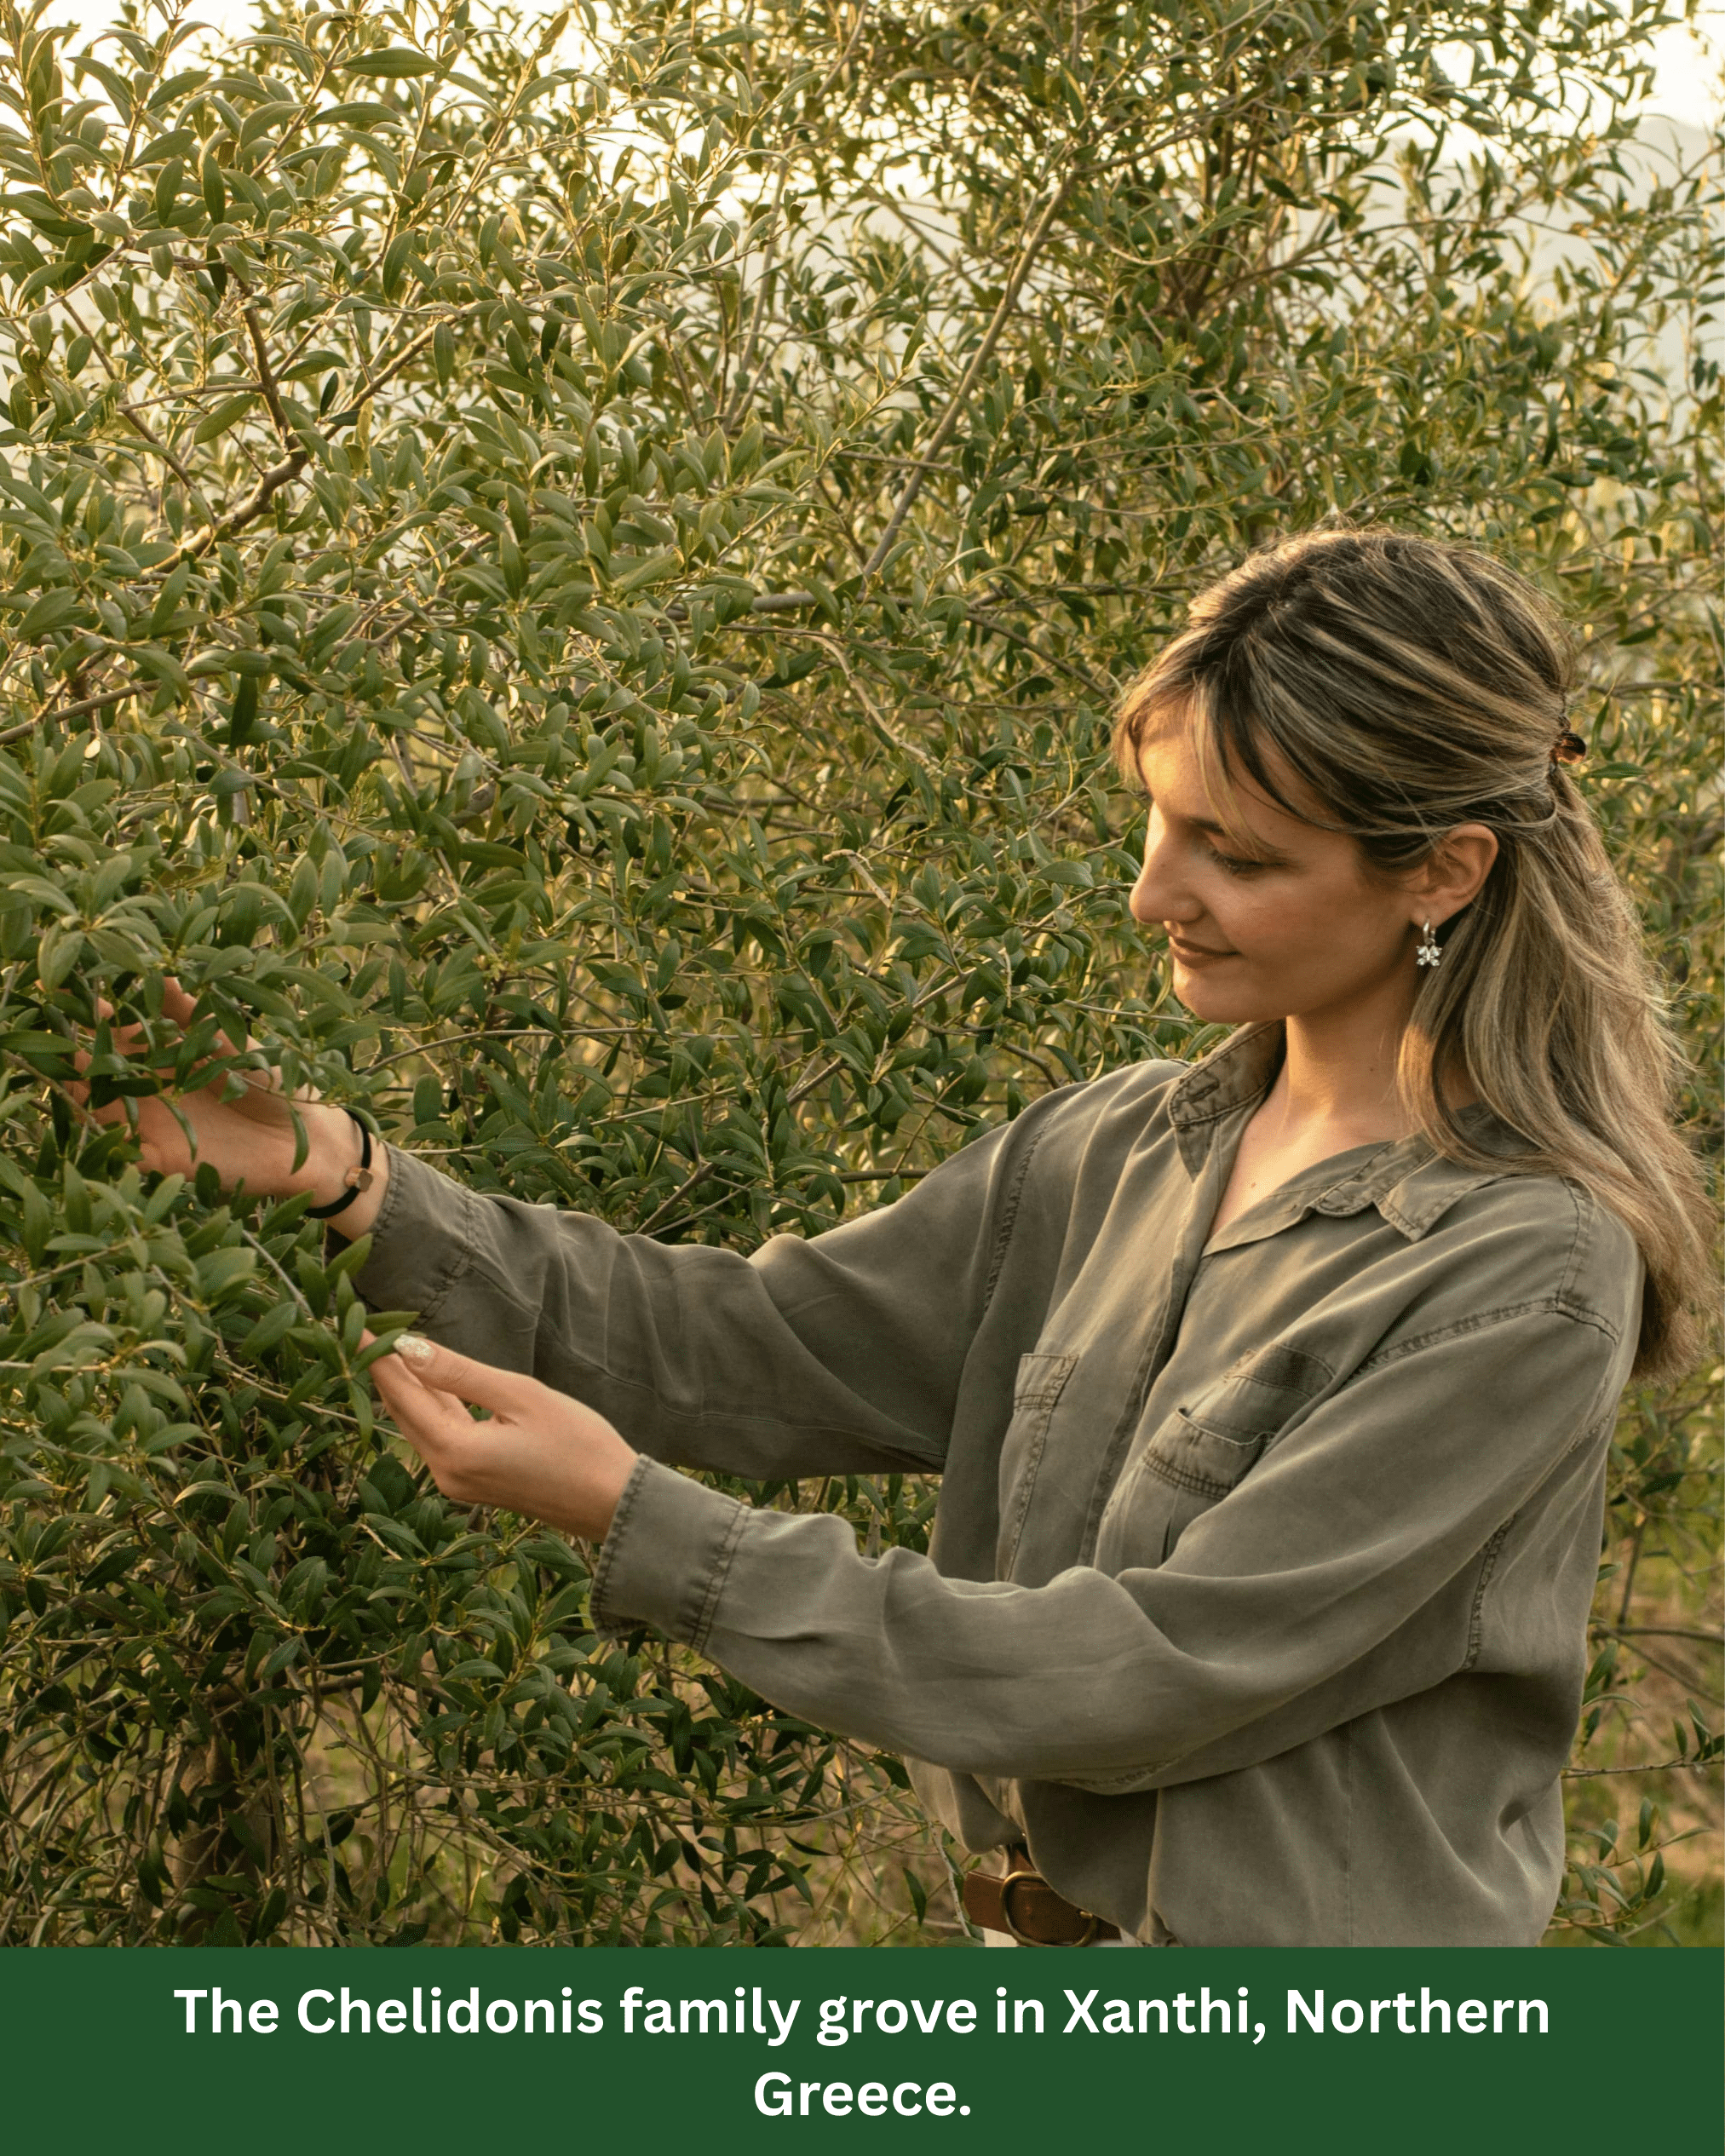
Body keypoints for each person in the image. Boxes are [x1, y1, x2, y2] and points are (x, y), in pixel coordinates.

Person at [93, 530, 1710, 1947]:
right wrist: (345, 1175)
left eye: (1239, 853)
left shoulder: (1521, 1272)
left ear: (1441, 870)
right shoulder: (1116, 1148)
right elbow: (742, 1342)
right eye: (1160, 824)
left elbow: (1136, 1677)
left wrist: (645, 1524)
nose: (1156, 895)